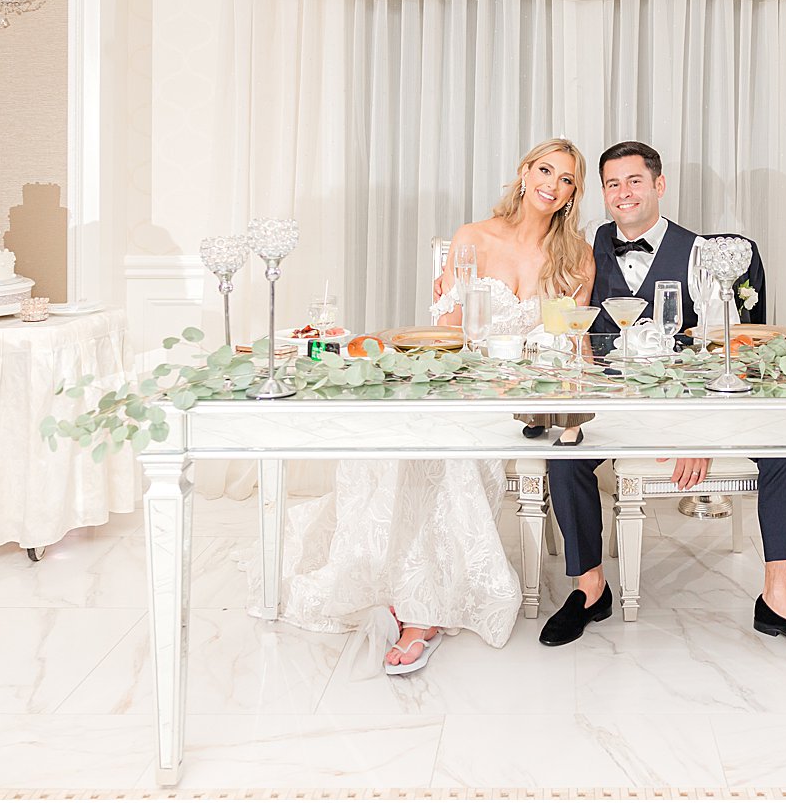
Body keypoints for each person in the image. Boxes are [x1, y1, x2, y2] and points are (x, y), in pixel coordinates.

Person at [243, 139, 596, 674]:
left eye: (566, 178)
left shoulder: (577, 256)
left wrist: (583, 400)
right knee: (407, 448)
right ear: (524, 173)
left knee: (452, 460)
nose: (552, 183)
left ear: (573, 193)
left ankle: (421, 613)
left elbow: (575, 342)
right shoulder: (472, 238)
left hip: (525, 401)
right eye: (545, 169)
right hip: (462, 384)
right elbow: (445, 337)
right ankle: (410, 593)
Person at [539, 140, 786, 662]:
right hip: (614, 402)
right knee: (565, 451)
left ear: (659, 186)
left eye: (635, 181)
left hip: (694, 400)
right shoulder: (586, 250)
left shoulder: (705, 254)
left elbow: (727, 350)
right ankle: (589, 588)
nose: (623, 193)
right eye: (612, 184)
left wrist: (700, 430)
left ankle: (781, 599)